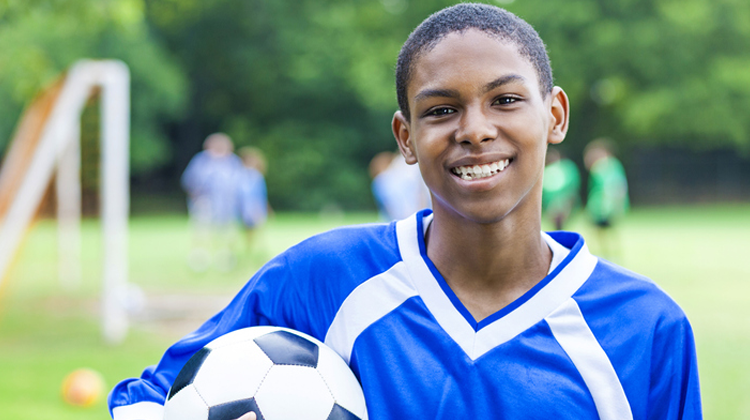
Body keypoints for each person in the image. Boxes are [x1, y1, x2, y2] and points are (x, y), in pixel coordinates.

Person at [110, 4, 701, 420]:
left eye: (506, 100)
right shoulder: (321, 278)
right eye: (441, 110)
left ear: (555, 115)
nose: (475, 129)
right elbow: (148, 398)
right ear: (406, 137)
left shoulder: (647, 329)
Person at [180, 133, 244, 272]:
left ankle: (225, 261)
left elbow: (240, 184)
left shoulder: (233, 162)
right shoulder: (201, 161)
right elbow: (189, 180)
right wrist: (197, 199)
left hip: (227, 205)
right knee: (201, 233)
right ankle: (199, 261)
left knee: (226, 234)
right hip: (205, 203)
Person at [584, 138, 630, 260]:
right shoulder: (600, 167)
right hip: (598, 206)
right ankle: (605, 254)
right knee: (598, 232)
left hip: (606, 206)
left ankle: (611, 254)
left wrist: (617, 203)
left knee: (607, 231)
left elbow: (618, 185)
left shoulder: (608, 166)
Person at [369, 150, 431, 221]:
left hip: (401, 218)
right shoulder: (386, 179)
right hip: (416, 214)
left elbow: (389, 206)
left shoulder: (380, 181)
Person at [236, 146, 270, 265]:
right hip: (243, 209)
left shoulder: (256, 176)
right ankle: (243, 254)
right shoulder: (240, 176)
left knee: (256, 233)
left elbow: (261, 194)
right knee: (244, 233)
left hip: (255, 208)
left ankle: (255, 254)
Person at [542, 147, 581, 230]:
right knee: (555, 223)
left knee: (563, 222)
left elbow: (572, 184)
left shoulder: (567, 167)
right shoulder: (547, 170)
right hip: (552, 202)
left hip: (564, 200)